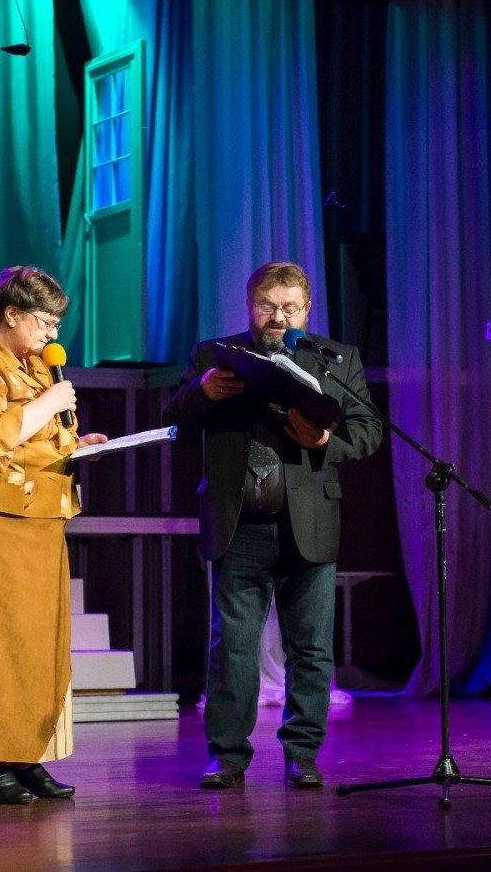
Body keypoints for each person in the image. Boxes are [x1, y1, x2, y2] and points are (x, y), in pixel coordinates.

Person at [163, 260, 383, 789]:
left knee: (311, 648)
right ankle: (227, 756)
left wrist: (327, 442)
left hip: (309, 523)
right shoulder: (214, 356)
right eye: (267, 306)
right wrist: (202, 394)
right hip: (239, 524)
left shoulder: (336, 359)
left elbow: (369, 429)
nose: (278, 317)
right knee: (232, 647)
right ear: (250, 305)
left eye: (289, 307)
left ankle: (302, 753)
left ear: (307, 310)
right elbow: (174, 418)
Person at [0, 265, 108, 805]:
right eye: (44, 322)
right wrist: (46, 405)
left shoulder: (37, 368)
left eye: (56, 324)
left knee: (38, 643)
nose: (52, 334)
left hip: (43, 518)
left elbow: (41, 439)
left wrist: (77, 445)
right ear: (11, 314)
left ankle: (27, 755)